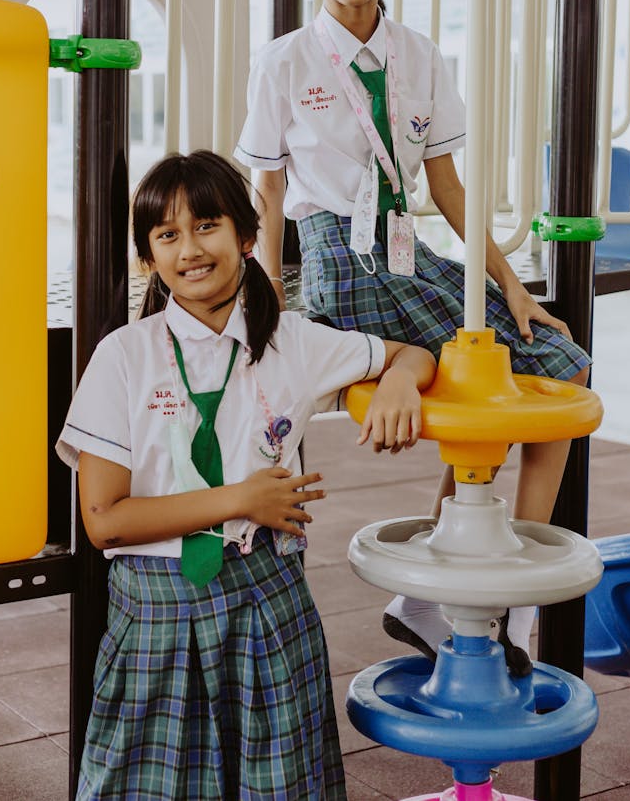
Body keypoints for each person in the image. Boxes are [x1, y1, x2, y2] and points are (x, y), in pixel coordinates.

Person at [234, 0, 592, 677]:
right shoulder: (285, 62)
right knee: (496, 385)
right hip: (339, 265)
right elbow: (269, 194)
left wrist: (513, 290)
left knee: (562, 370)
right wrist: (262, 311)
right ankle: (482, 604)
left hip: (410, 257)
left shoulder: (420, 55)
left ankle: (480, 594)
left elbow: (448, 187)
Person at [57, 149, 436, 801]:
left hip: (267, 597)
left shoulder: (294, 341)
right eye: (167, 234)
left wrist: (400, 378)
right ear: (149, 257)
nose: (189, 247)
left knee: (276, 782)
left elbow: (413, 352)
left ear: (247, 234)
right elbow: (104, 520)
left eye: (206, 224)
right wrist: (241, 498)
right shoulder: (124, 356)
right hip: (159, 609)